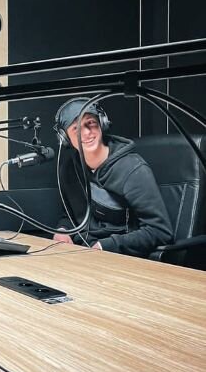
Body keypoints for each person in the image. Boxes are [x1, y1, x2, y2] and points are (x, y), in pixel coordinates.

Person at [52, 97, 173, 257]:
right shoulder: (69, 168)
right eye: (76, 128)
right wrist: (62, 230)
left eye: (90, 123)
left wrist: (107, 246)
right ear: (65, 138)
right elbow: (69, 215)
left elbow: (160, 231)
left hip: (120, 257)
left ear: (102, 123)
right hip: (82, 254)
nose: (87, 133)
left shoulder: (132, 169)